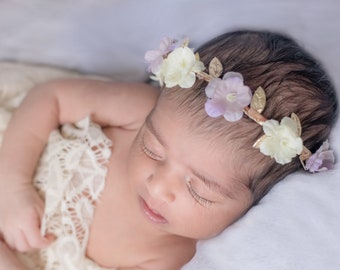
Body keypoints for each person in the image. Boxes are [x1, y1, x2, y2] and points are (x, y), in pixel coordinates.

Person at [0, 29, 337, 270]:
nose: (159, 186)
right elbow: (52, 98)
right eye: (152, 149)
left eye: (199, 190)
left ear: (251, 207)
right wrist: (13, 185)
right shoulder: (141, 109)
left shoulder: (167, 256)